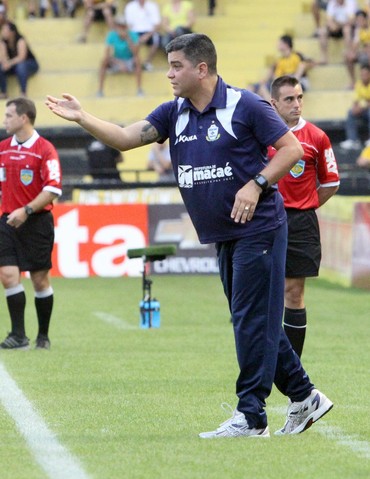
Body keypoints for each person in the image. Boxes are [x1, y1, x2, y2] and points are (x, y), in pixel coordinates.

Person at [46, 33, 333, 438]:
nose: (168, 74)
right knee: (251, 319)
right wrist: (83, 118)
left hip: (261, 228)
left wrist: (256, 184)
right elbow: (127, 138)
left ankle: (251, 417)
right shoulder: (173, 112)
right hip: (224, 232)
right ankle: (305, 396)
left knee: (250, 322)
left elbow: (290, 150)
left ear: (202, 68)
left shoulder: (244, 104)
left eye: (176, 66)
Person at [269, 76, 340, 358]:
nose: (297, 104)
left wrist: (306, 204)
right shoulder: (260, 135)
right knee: (264, 293)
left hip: (300, 221)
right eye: (289, 99)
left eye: (299, 98)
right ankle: (263, 360)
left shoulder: (317, 137)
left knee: (294, 292)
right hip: (265, 220)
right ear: (274, 103)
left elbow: (331, 182)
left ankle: (292, 370)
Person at [0, 98, 62, 350]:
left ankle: (43, 336)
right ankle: (18, 335)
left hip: (36, 222)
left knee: (39, 280)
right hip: (7, 221)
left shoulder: (45, 149)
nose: (5, 120)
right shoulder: (2, 148)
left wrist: (25, 210)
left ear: (23, 117)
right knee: (7, 275)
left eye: (8, 115)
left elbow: (53, 188)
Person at [247, 35, 314, 102]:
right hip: (283, 82)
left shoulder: (297, 55)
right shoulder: (280, 60)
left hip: (297, 82)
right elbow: (277, 77)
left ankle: (270, 108)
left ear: (286, 44)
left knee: (264, 89)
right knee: (252, 87)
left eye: (280, 43)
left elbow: (309, 63)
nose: (277, 45)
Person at [97, 14, 143, 97]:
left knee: (137, 60)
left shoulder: (132, 35)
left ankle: (139, 89)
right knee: (104, 61)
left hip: (129, 60)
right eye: (119, 26)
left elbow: (135, 53)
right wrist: (119, 63)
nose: (121, 28)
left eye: (123, 26)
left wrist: (128, 38)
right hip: (117, 60)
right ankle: (100, 90)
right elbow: (107, 54)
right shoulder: (112, 35)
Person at [0, 21, 39, 98]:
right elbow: (2, 57)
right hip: (15, 65)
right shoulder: (3, 42)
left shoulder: (20, 40)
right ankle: (4, 92)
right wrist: (5, 63)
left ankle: (23, 92)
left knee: (21, 66)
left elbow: (21, 57)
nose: (3, 32)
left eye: (5, 30)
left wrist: (9, 63)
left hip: (29, 64)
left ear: (12, 32)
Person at [124, 0, 161, 71]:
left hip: (149, 31)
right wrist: (136, 37)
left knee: (156, 39)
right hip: (134, 32)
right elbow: (128, 25)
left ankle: (147, 62)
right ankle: (134, 62)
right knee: (130, 39)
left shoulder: (152, 6)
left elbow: (157, 24)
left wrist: (147, 35)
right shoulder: (130, 6)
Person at [340, 63, 370, 150]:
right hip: (363, 109)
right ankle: (352, 140)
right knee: (350, 112)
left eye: (365, 74)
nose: (363, 76)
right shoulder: (358, 84)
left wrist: (362, 106)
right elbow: (356, 100)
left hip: (367, 109)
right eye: (362, 74)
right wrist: (355, 108)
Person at [318, 0, 358, 65]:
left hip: (348, 27)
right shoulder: (332, 3)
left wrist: (338, 25)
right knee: (322, 31)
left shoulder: (351, 2)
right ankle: (324, 58)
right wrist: (332, 25)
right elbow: (329, 19)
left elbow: (351, 20)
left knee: (346, 29)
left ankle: (348, 55)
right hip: (337, 27)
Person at [345, 9, 370, 88]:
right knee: (348, 56)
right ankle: (353, 81)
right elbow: (354, 47)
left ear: (366, 20)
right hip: (363, 53)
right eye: (358, 20)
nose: (360, 21)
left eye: (362, 19)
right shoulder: (358, 30)